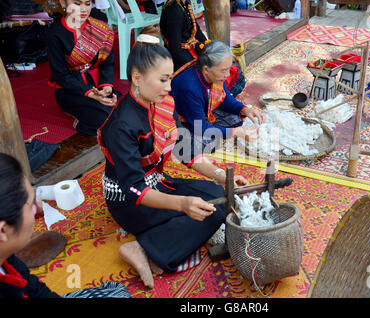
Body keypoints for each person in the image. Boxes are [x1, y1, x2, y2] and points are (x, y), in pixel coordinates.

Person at [97, 33, 250, 289]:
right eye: (163, 80)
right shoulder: (122, 125)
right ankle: (140, 249)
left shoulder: (164, 103)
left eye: (169, 79)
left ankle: (154, 241)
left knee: (220, 195)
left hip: (156, 182)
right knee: (206, 213)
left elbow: (185, 148)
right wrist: (182, 204)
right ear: (137, 78)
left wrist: (220, 175)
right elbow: (134, 189)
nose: (169, 87)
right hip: (128, 200)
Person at [0, 153, 130, 298]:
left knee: (117, 292)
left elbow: (36, 290)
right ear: (3, 230)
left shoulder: (7, 258)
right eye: (30, 206)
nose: (37, 210)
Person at [170, 40, 265, 153]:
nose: (228, 75)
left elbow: (224, 98)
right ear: (206, 69)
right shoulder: (189, 88)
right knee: (209, 144)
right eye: (224, 70)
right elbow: (200, 128)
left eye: (228, 69)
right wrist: (235, 132)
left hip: (200, 114)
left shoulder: (214, 75)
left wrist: (244, 110)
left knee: (237, 118)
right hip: (181, 121)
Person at [46, 0, 119, 136]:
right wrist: (92, 94)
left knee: (124, 109)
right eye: (77, 4)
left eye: (87, 3)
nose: (84, 9)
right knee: (105, 119)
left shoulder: (99, 27)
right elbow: (61, 76)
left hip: (97, 84)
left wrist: (106, 87)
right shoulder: (54, 33)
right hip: (70, 90)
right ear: (63, 2)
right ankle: (81, 124)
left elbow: (107, 62)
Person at [159, 0, 246, 96]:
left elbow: (197, 30)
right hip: (180, 57)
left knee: (224, 61)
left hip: (191, 47)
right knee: (212, 69)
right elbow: (175, 49)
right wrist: (198, 63)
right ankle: (216, 96)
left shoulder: (185, 4)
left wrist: (209, 48)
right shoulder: (174, 9)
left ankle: (222, 95)